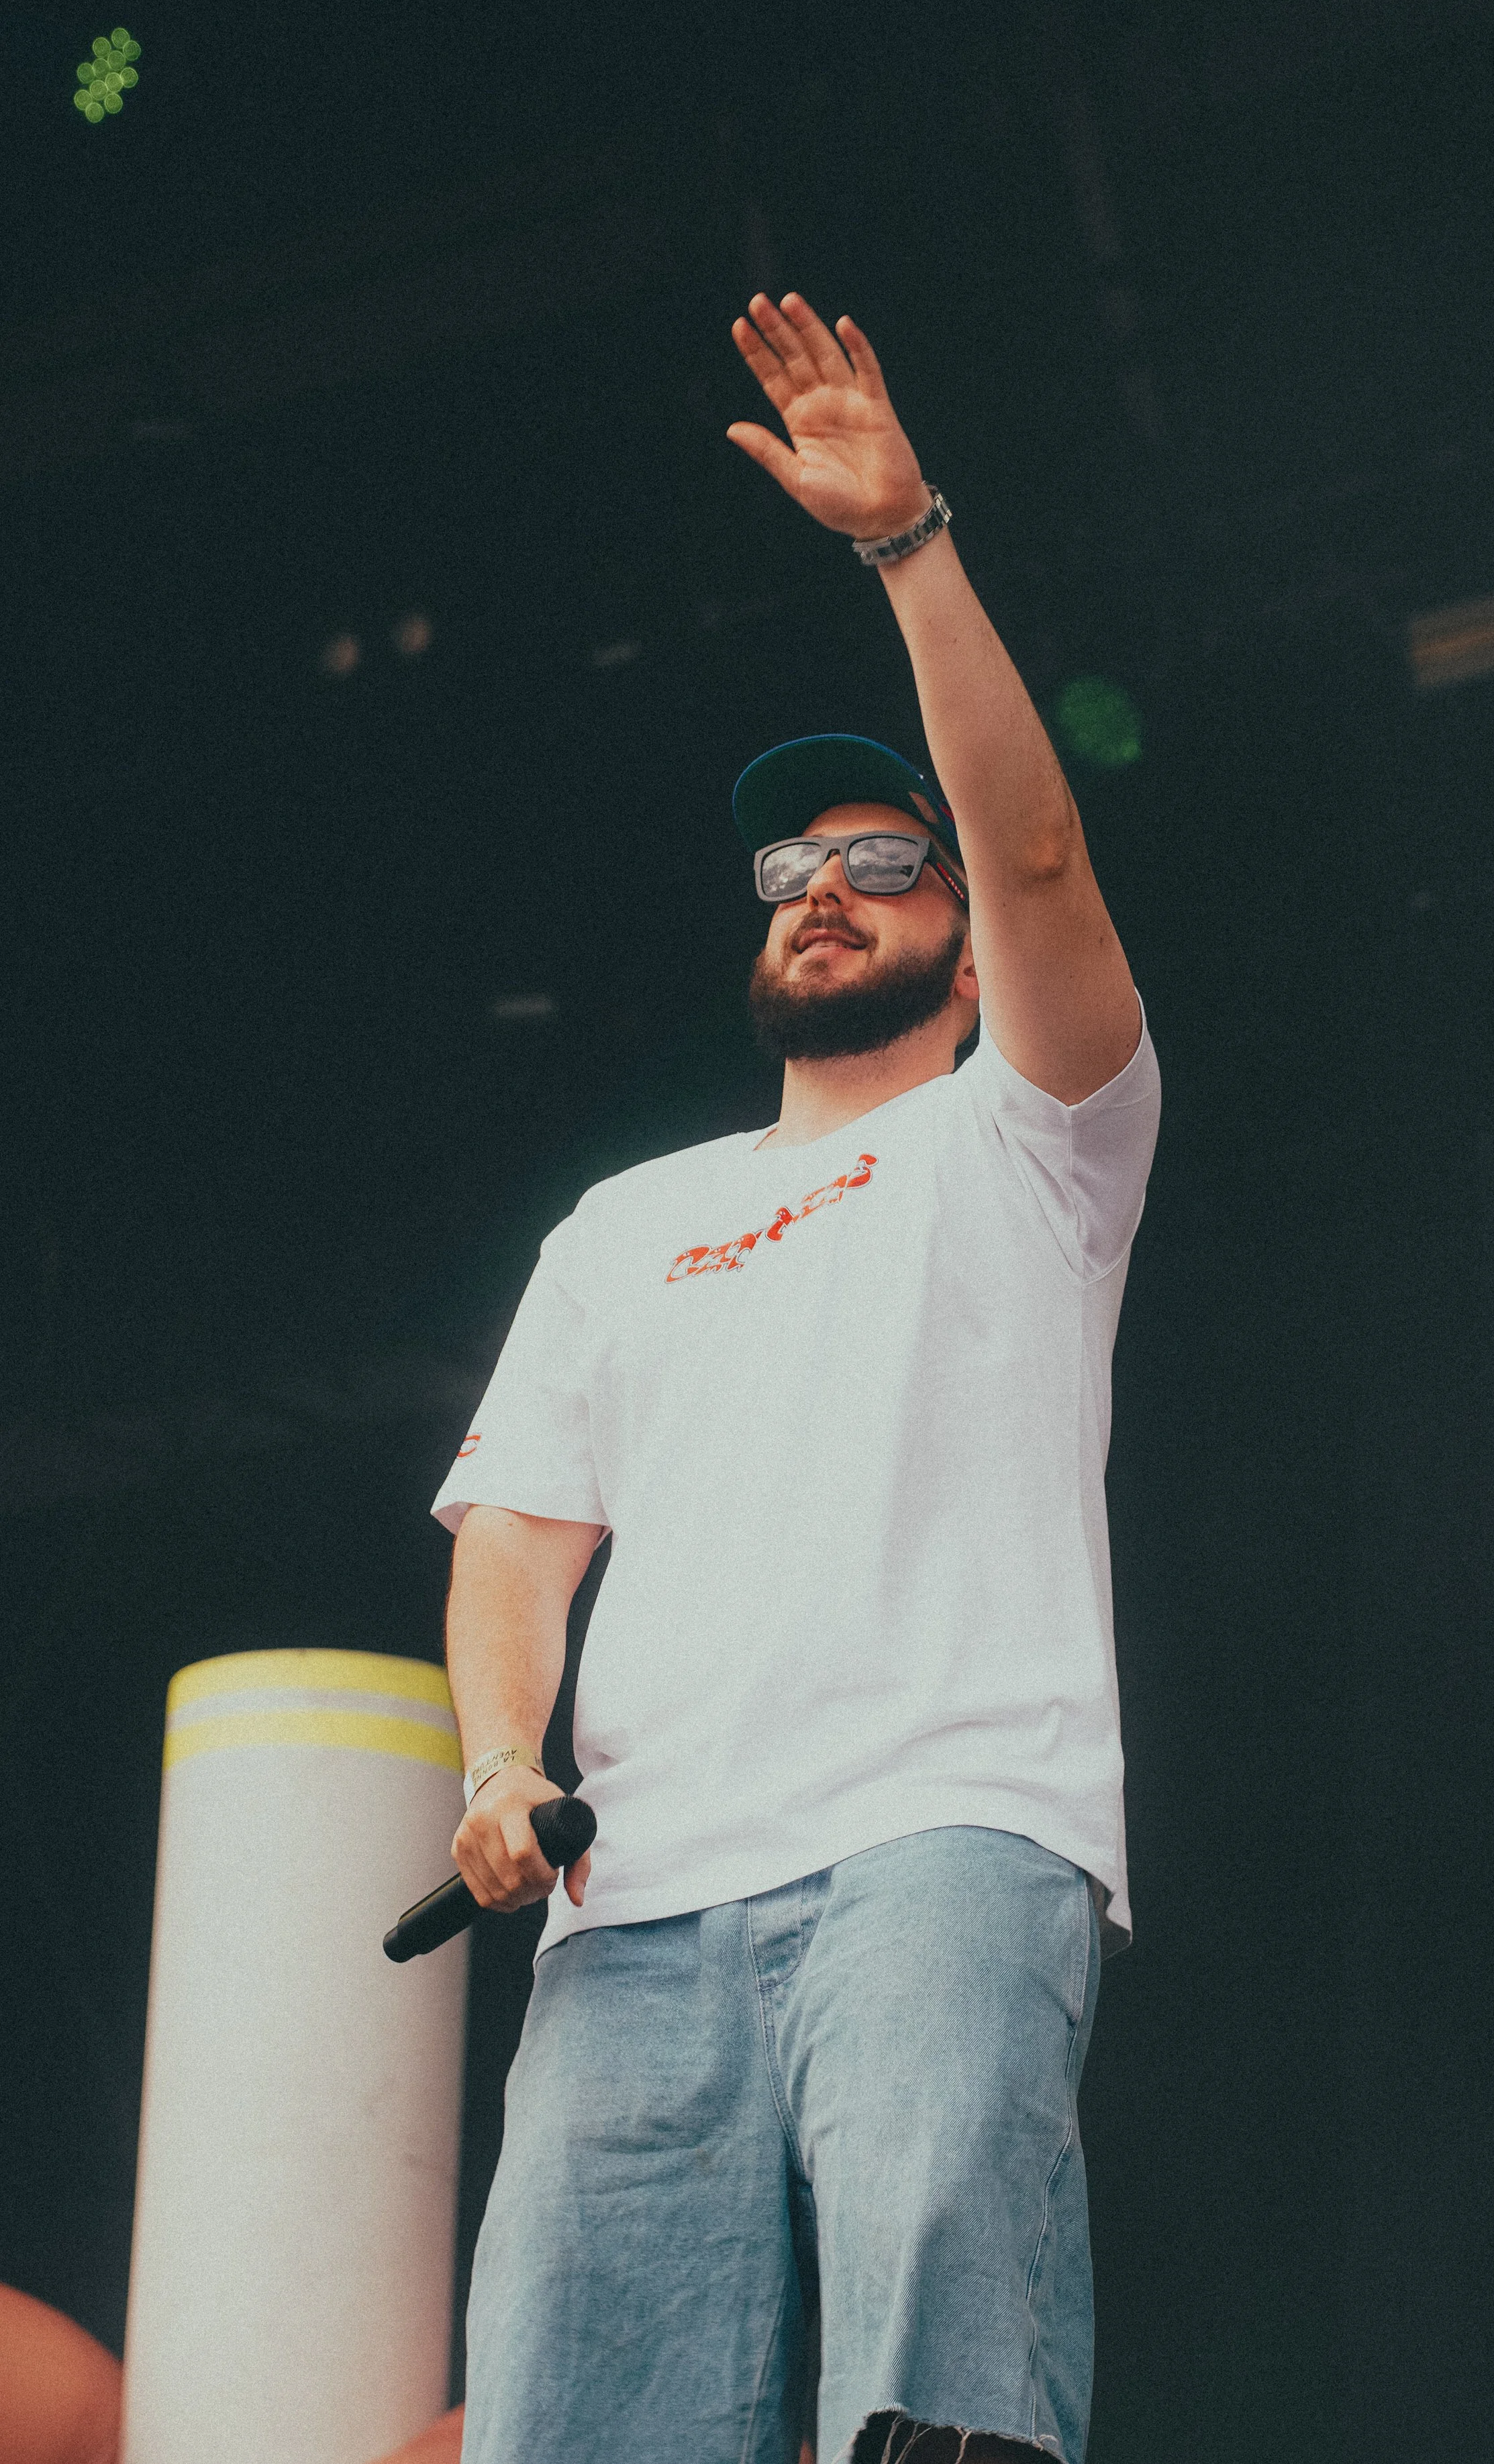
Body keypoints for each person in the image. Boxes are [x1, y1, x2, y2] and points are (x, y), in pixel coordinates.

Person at [433, 291, 1161, 2464]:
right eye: (789, 871)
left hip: (945, 1831)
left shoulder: (1035, 1130)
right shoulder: (624, 1219)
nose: (823, 892)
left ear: (950, 925)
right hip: (630, 1906)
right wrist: (493, 1759)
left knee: (935, 2391)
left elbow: (1037, 852)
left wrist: (906, 543)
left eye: (875, 860)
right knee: (571, 2411)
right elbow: (516, 1534)